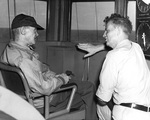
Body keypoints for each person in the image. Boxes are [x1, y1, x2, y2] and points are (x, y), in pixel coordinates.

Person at [0, 14, 98, 120]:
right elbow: (45, 88)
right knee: (88, 90)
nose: (37, 34)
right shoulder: (23, 60)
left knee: (78, 88)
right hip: (43, 102)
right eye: (34, 30)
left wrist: (49, 74)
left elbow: (32, 73)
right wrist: (62, 78)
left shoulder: (8, 51)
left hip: (23, 100)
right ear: (23, 31)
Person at [80, 13, 150, 120]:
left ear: (117, 31)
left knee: (100, 105)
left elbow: (102, 99)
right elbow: (123, 44)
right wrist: (97, 48)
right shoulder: (137, 48)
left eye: (107, 31)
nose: (104, 35)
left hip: (126, 115)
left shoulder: (113, 56)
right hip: (145, 114)